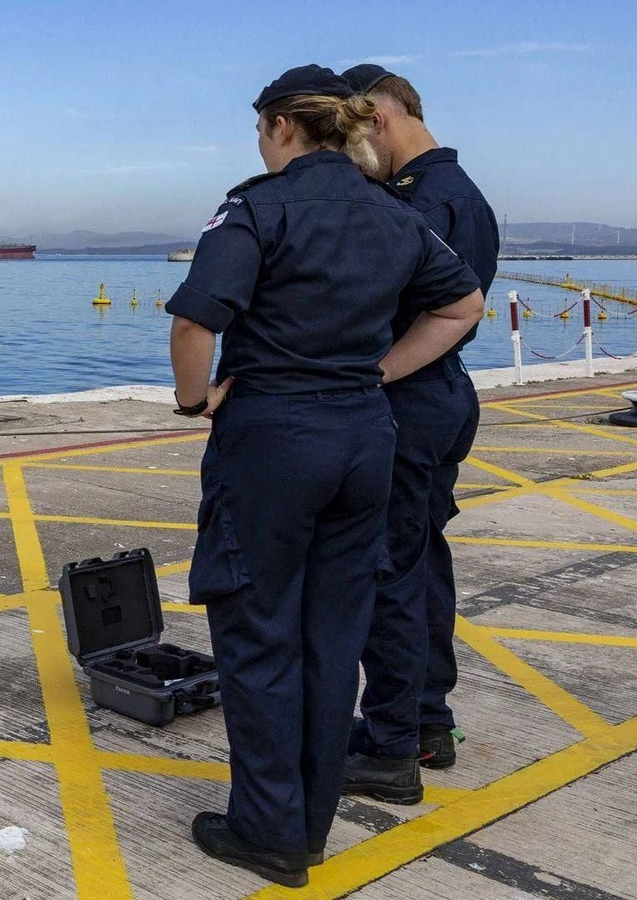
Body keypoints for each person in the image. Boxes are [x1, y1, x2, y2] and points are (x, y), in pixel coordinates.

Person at [166, 64, 483, 887]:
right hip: (363, 438)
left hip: (274, 437)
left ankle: (267, 831)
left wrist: (195, 403)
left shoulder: (256, 206)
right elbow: (463, 305)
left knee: (258, 623)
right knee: (334, 630)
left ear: (280, 127)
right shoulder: (393, 210)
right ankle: (308, 824)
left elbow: (199, 316)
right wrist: (375, 373)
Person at [338, 64, 500, 804]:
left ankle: (393, 745)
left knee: (390, 569)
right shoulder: (466, 195)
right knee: (422, 560)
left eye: (346, 134)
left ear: (376, 117)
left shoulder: (418, 203)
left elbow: (407, 306)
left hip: (406, 396)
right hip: (444, 397)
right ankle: (427, 721)